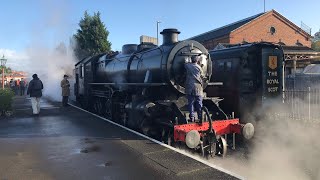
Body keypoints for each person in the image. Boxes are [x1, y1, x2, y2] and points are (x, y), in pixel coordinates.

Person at [184, 55, 203, 122]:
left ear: (191, 60)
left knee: (191, 102)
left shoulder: (188, 66)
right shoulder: (199, 67)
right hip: (198, 87)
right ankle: (200, 117)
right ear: (197, 60)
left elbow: (185, 64)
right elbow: (202, 75)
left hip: (190, 87)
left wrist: (187, 60)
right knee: (199, 102)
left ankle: (192, 117)